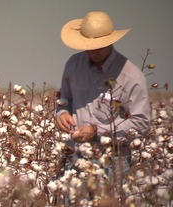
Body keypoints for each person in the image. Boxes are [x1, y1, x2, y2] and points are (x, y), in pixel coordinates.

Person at [56, 11, 150, 176]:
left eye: (99, 45)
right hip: (75, 160)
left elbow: (140, 124)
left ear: (111, 41)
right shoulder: (73, 64)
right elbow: (65, 98)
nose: (92, 50)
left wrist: (96, 131)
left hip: (113, 164)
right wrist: (62, 112)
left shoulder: (132, 76)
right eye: (88, 45)